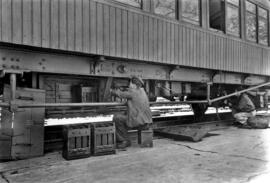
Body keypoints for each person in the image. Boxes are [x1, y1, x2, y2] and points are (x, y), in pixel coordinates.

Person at [111, 76, 152, 149]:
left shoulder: (133, 92)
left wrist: (111, 90)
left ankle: (124, 141)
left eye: (130, 84)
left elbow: (119, 94)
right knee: (124, 116)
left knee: (117, 118)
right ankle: (125, 138)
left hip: (139, 122)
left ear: (134, 85)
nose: (129, 86)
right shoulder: (143, 92)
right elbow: (135, 102)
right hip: (147, 122)